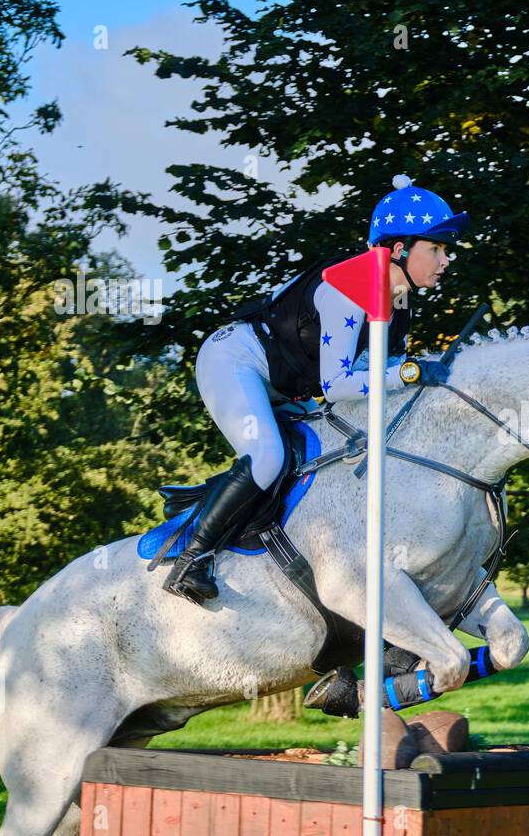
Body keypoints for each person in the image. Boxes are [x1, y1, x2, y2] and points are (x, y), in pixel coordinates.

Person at [163, 175, 471, 606]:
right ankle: (193, 558)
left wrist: (426, 370)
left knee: (332, 452)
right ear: (398, 250)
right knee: (268, 454)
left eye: (444, 250)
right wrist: (407, 374)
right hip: (236, 360)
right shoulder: (347, 290)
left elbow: (385, 373)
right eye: (435, 249)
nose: (445, 260)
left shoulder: (397, 302)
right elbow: (340, 385)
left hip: (287, 382)